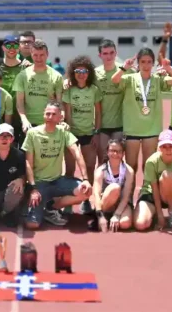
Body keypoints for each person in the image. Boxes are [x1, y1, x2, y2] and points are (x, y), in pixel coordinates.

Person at [23, 102, 92, 230]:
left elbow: (77, 153)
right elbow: (28, 163)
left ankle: (51, 208)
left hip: (57, 181)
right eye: (47, 113)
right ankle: (33, 206)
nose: (50, 116)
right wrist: (33, 188)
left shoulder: (63, 132)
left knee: (85, 191)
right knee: (32, 224)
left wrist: (86, 179)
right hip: (39, 184)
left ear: (60, 117)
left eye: (53, 114)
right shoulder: (32, 133)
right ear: (43, 115)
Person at [112, 50, 172, 174]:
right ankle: (129, 192)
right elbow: (115, 79)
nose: (146, 65)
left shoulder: (158, 79)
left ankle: (147, 192)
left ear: (153, 64)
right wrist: (124, 67)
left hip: (152, 129)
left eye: (149, 62)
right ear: (138, 63)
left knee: (148, 165)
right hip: (132, 128)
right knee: (130, 166)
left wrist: (168, 67)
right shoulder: (130, 78)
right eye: (143, 62)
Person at [61, 55, 102, 214]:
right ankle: (69, 202)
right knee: (70, 169)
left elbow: (98, 113)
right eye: (78, 71)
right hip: (73, 134)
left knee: (90, 167)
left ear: (89, 72)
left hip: (89, 134)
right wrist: (69, 134)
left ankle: (86, 200)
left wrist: (96, 133)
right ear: (73, 72)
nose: (81, 74)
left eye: (84, 71)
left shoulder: (94, 90)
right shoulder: (69, 90)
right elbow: (68, 113)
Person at [134, 130, 172, 231]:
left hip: (170, 194)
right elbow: (154, 188)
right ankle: (154, 213)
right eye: (164, 146)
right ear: (159, 147)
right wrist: (160, 215)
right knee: (140, 224)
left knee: (167, 175)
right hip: (151, 193)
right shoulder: (151, 161)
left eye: (171, 146)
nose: (168, 150)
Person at [92, 39, 133, 164]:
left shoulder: (127, 71)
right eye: (105, 53)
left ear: (116, 53)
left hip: (120, 124)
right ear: (100, 55)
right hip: (102, 125)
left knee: (117, 159)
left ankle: (118, 183)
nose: (108, 56)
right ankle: (102, 184)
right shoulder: (95, 74)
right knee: (103, 159)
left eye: (111, 52)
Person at [13, 40, 64, 138]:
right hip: (29, 124)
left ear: (47, 54)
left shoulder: (56, 76)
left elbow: (59, 102)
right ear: (31, 54)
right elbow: (19, 103)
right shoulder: (22, 76)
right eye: (35, 55)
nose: (38, 58)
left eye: (42, 55)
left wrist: (59, 121)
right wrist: (24, 120)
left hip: (50, 122)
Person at [91, 139, 135, 233]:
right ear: (107, 152)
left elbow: (126, 196)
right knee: (114, 187)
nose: (115, 154)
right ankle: (103, 216)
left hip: (122, 204)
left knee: (125, 223)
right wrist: (100, 215)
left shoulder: (129, 171)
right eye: (112, 151)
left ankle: (113, 216)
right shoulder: (100, 171)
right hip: (107, 202)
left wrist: (117, 214)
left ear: (123, 153)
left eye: (118, 151)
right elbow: (96, 194)